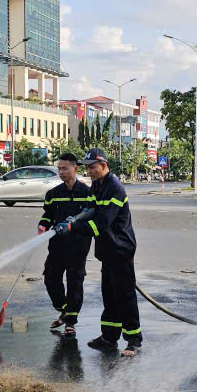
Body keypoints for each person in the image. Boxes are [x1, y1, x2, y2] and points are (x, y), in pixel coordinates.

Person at [54, 148, 142, 356]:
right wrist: (75, 218)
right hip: (107, 251)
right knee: (109, 296)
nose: (89, 171)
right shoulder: (97, 185)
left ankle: (134, 341)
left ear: (103, 165)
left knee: (125, 297)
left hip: (121, 250)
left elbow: (102, 223)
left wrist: (73, 228)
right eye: (87, 168)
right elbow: (91, 209)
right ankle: (109, 338)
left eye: (92, 167)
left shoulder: (115, 188)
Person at [39, 153, 93, 337]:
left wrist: (75, 227)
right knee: (50, 278)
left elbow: (92, 220)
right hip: (57, 246)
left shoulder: (88, 194)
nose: (61, 172)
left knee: (74, 284)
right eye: (59, 169)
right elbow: (48, 214)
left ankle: (70, 322)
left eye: (65, 168)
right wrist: (43, 224)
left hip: (78, 247)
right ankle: (63, 309)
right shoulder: (53, 194)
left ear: (75, 168)